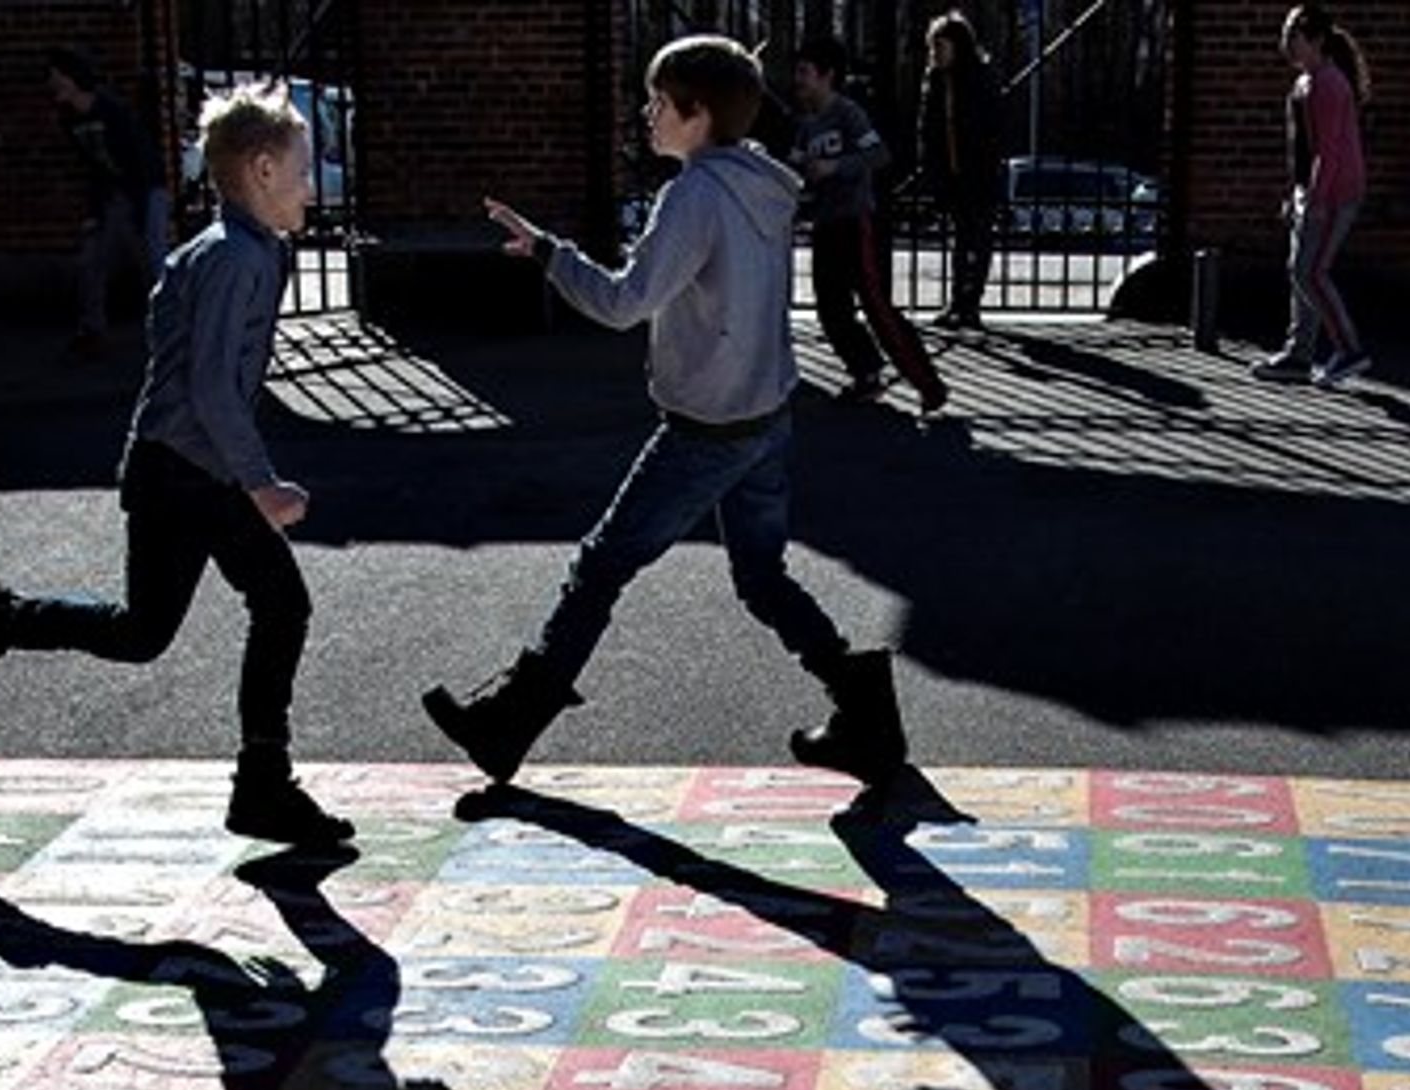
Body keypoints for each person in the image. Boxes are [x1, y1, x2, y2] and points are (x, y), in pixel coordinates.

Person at [421, 34, 909, 790]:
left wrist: (551, 253)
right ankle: (866, 710)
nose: (646, 114)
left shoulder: (695, 195)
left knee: (599, 567)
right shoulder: (764, 185)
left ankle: (509, 720)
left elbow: (624, 302)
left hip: (708, 429)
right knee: (761, 576)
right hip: (766, 415)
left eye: (658, 101)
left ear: (698, 114)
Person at [0, 82, 354, 849]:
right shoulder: (233, 259)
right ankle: (261, 783)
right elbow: (209, 390)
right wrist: (259, 481)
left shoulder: (248, 248)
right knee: (263, 608)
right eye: (302, 167)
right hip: (182, 472)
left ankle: (6, 617)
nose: (312, 179)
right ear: (261, 170)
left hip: (186, 468)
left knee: (153, 629)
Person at [789, 34, 949, 414]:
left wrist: (834, 166)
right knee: (831, 307)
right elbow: (794, 165)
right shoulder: (805, 124)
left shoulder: (847, 113)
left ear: (827, 75)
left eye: (804, 72)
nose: (797, 80)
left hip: (857, 221)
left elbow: (879, 155)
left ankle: (928, 384)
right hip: (826, 224)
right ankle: (866, 374)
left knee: (876, 304)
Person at [1250, 6, 1373, 388]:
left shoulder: (1330, 85)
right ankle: (1299, 353)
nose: (1286, 44)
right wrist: (1296, 192)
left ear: (1316, 41)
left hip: (1336, 194)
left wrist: (1318, 199)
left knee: (1312, 272)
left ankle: (1349, 349)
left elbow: (1330, 152)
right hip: (1314, 191)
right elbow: (1303, 148)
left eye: (1294, 37)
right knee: (1299, 269)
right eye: (1286, 35)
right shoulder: (1306, 84)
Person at [48, 45, 169, 359]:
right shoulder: (70, 119)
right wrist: (95, 211)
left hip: (144, 190)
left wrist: (141, 212)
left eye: (58, 78)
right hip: (113, 194)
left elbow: (138, 162)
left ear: (74, 79)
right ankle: (91, 330)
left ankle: (171, 331)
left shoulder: (111, 111)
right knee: (92, 260)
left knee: (152, 261)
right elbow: (91, 168)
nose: (53, 85)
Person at [917, 10, 1005, 332]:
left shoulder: (979, 78)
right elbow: (927, 129)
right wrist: (932, 169)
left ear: (958, 46)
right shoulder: (937, 80)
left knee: (977, 238)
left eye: (939, 46)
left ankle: (970, 303)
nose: (935, 53)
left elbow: (992, 128)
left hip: (977, 172)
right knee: (960, 239)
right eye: (932, 47)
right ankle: (958, 301)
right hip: (952, 171)